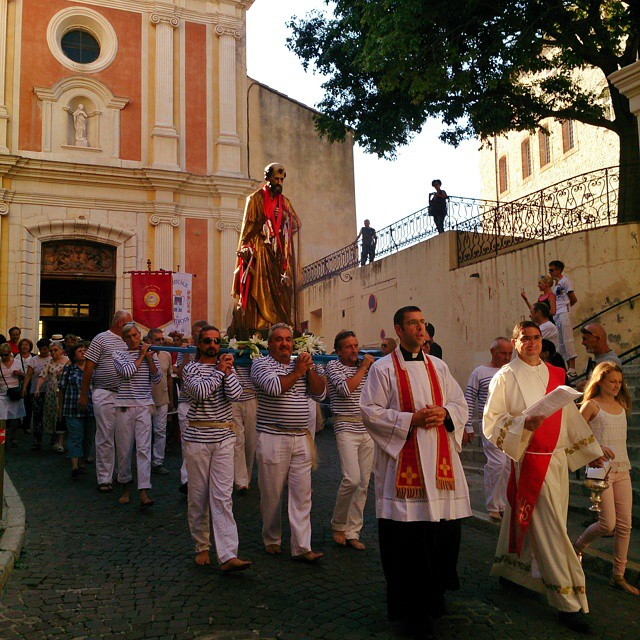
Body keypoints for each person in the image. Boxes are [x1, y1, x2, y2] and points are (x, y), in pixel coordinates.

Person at [483, 321, 604, 633]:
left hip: (558, 459)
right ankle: (569, 600)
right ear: (515, 342)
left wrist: (591, 447)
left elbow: (568, 415)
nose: (532, 343)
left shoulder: (555, 374)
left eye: (537, 338)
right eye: (526, 338)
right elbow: (491, 421)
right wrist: (522, 426)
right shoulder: (505, 377)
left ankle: (512, 570)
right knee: (551, 528)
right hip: (530, 459)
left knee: (530, 517)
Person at [360, 306, 471, 636]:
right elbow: (370, 411)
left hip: (440, 465)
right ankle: (411, 606)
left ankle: (436, 596)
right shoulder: (382, 369)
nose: (421, 328)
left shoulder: (439, 366)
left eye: (423, 322)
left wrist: (444, 413)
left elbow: (459, 404)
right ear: (399, 329)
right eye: (413, 323)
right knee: (408, 539)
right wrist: (411, 420)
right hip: (403, 467)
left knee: (440, 535)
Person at [250, 323, 326, 561]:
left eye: (288, 340)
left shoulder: (301, 365)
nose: (284, 344)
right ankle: (272, 537)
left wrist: (309, 370)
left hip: (301, 437)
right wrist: (298, 372)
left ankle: (302, 547)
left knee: (303, 494)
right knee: (271, 494)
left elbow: (320, 394)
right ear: (270, 344)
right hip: (273, 436)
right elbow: (274, 388)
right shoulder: (260, 364)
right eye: (279, 340)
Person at [182, 325, 252, 573]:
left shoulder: (225, 370)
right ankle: (202, 545)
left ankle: (228, 553)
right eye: (207, 341)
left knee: (223, 496)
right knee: (199, 496)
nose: (212, 345)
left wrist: (227, 371)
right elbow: (199, 393)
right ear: (199, 345)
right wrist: (219, 372)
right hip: (198, 438)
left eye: (216, 341)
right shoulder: (190, 368)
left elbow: (235, 395)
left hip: (224, 437)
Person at [573, 362, 638, 596]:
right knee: (607, 524)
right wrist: (596, 447)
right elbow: (574, 433)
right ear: (600, 381)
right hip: (600, 470)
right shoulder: (591, 405)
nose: (617, 386)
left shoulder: (621, 404)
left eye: (619, 382)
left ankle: (618, 575)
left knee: (625, 526)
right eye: (612, 381)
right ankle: (577, 547)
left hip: (623, 469)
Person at [231, 163, 301, 335]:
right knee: (259, 285)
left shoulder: (284, 202)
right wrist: (244, 248)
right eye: (276, 178)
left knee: (279, 290)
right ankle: (259, 324)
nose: (279, 182)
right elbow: (247, 226)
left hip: (278, 252)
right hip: (259, 248)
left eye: (281, 179)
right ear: (267, 178)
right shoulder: (255, 199)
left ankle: (277, 322)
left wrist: (284, 221)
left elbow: (296, 224)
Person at [326, 331, 375, 550]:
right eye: (349, 347)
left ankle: (353, 531)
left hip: (366, 428)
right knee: (352, 479)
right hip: (345, 425)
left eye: (356, 346)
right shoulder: (333, 367)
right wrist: (364, 368)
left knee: (364, 483)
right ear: (338, 350)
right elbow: (345, 390)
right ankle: (338, 524)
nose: (354, 350)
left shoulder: (366, 368)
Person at [79, 309, 132, 492]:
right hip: (105, 392)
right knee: (105, 435)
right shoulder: (101, 338)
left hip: (124, 394)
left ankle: (121, 473)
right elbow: (89, 367)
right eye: (129, 323)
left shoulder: (129, 341)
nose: (131, 327)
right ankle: (104, 478)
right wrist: (84, 394)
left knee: (123, 436)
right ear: (120, 324)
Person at [113, 323, 161, 510]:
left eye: (135, 335)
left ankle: (143, 490)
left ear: (139, 335)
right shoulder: (118, 355)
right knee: (124, 449)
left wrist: (149, 359)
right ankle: (125, 487)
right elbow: (127, 372)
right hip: (124, 406)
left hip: (143, 406)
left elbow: (156, 378)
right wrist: (142, 355)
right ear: (124, 339)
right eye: (129, 337)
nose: (133, 339)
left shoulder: (152, 353)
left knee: (143, 448)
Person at [464, 338, 513, 521]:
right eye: (503, 353)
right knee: (497, 464)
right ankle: (493, 505)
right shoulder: (480, 372)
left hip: (511, 426)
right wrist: (468, 425)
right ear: (492, 352)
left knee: (508, 466)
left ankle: (503, 503)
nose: (507, 357)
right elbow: (469, 399)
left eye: (510, 353)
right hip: (491, 425)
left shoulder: (512, 371)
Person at [175, 319, 209, 494]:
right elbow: (180, 373)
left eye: (200, 333)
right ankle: (186, 479)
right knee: (187, 443)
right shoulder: (185, 350)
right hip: (187, 402)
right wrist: (188, 353)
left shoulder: (212, 350)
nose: (196, 336)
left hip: (206, 405)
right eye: (194, 333)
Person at [59, 343, 95, 480]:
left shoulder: (93, 368)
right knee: (75, 437)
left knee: (88, 438)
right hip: (72, 408)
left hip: (91, 409)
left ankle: (82, 461)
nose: (82, 352)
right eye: (79, 350)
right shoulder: (68, 369)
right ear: (74, 355)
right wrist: (60, 411)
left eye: (85, 350)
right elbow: (61, 389)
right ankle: (74, 465)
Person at [147, 329, 173, 475]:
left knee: (160, 430)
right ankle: (144, 461)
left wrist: (170, 398)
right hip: (146, 399)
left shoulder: (167, 355)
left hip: (162, 398)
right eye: (157, 340)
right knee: (144, 432)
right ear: (150, 341)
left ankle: (158, 462)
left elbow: (169, 376)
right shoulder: (144, 355)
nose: (161, 342)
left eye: (162, 339)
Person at [35, 341, 69, 453]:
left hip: (63, 393)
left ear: (61, 350)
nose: (53, 353)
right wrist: (37, 388)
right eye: (51, 351)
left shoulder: (67, 362)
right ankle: (54, 436)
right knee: (51, 415)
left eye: (56, 350)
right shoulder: (49, 363)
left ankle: (60, 442)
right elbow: (42, 376)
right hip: (51, 393)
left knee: (61, 416)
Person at [231, 358, 257, 493]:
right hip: (234, 400)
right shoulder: (228, 348)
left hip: (251, 397)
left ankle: (247, 475)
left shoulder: (256, 350)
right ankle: (241, 480)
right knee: (238, 439)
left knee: (251, 441)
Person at [548, 260, 578, 377]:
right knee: (561, 342)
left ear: (559, 270)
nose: (550, 272)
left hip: (564, 313)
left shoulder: (565, 281)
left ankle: (572, 368)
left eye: (552, 270)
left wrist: (566, 308)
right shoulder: (556, 285)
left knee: (568, 339)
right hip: (557, 316)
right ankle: (566, 367)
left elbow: (573, 299)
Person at [23, 338, 51, 451]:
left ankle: (53, 440)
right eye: (41, 349)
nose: (43, 351)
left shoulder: (52, 359)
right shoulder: (34, 360)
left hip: (50, 391)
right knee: (38, 416)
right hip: (36, 391)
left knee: (50, 415)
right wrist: (24, 387)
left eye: (45, 349)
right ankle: (37, 440)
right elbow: (28, 375)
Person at [0, 343, 26, 448]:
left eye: (6, 355)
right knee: (2, 417)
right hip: (1, 393)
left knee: (14, 417)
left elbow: (25, 376)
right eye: (2, 355)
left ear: (10, 353)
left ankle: (13, 436)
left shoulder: (17, 362)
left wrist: (19, 374)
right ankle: (2, 439)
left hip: (14, 392)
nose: (4, 357)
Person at [15, 338, 34, 433]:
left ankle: (27, 425)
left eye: (27, 345)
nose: (24, 346)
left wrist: (23, 375)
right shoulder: (15, 357)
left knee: (28, 404)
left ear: (30, 347)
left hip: (30, 383)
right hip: (16, 383)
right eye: (23, 344)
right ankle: (18, 423)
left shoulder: (33, 357)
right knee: (17, 403)